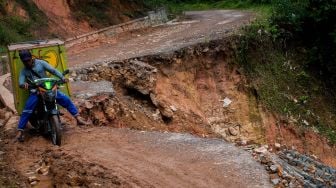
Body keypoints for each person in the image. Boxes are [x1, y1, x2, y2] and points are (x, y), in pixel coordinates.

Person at [16, 49, 88, 142]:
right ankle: (20, 131)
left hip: (47, 88)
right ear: (22, 61)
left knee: (65, 99)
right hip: (36, 91)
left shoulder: (41, 63)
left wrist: (62, 78)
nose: (27, 62)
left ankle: (78, 118)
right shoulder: (24, 71)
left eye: (28, 60)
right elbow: (21, 81)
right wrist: (23, 84)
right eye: (24, 61)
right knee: (27, 109)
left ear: (31, 58)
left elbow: (53, 70)